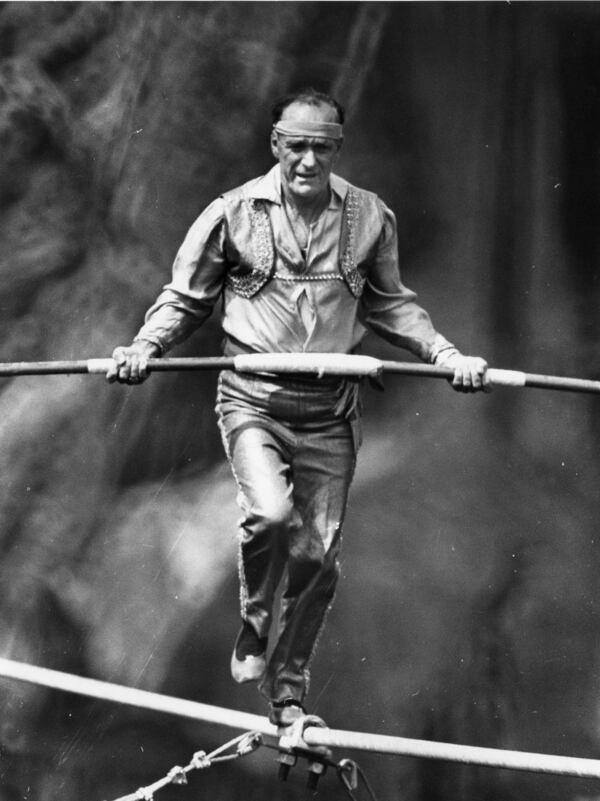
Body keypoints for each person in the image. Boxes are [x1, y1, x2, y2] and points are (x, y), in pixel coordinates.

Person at [107, 88, 489, 727]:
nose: (308, 161)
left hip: (332, 415)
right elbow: (185, 297)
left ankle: (289, 689)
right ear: (276, 145)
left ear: (336, 149)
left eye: (322, 148)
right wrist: (144, 346)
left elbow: (391, 305)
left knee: (318, 558)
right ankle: (255, 622)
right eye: (297, 147)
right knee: (269, 513)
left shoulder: (370, 218)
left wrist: (446, 354)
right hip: (254, 403)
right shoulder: (231, 214)